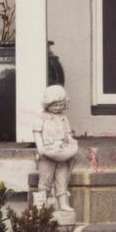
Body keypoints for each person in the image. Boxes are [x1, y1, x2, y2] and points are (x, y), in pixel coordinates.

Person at [32, 84, 78, 221]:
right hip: (47, 152)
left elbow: (68, 134)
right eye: (55, 105)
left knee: (62, 179)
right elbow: (37, 133)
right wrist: (40, 148)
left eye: (61, 105)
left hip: (62, 151)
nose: (58, 107)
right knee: (45, 180)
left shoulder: (64, 118)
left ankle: (63, 203)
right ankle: (40, 205)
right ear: (47, 103)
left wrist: (71, 143)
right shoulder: (41, 117)